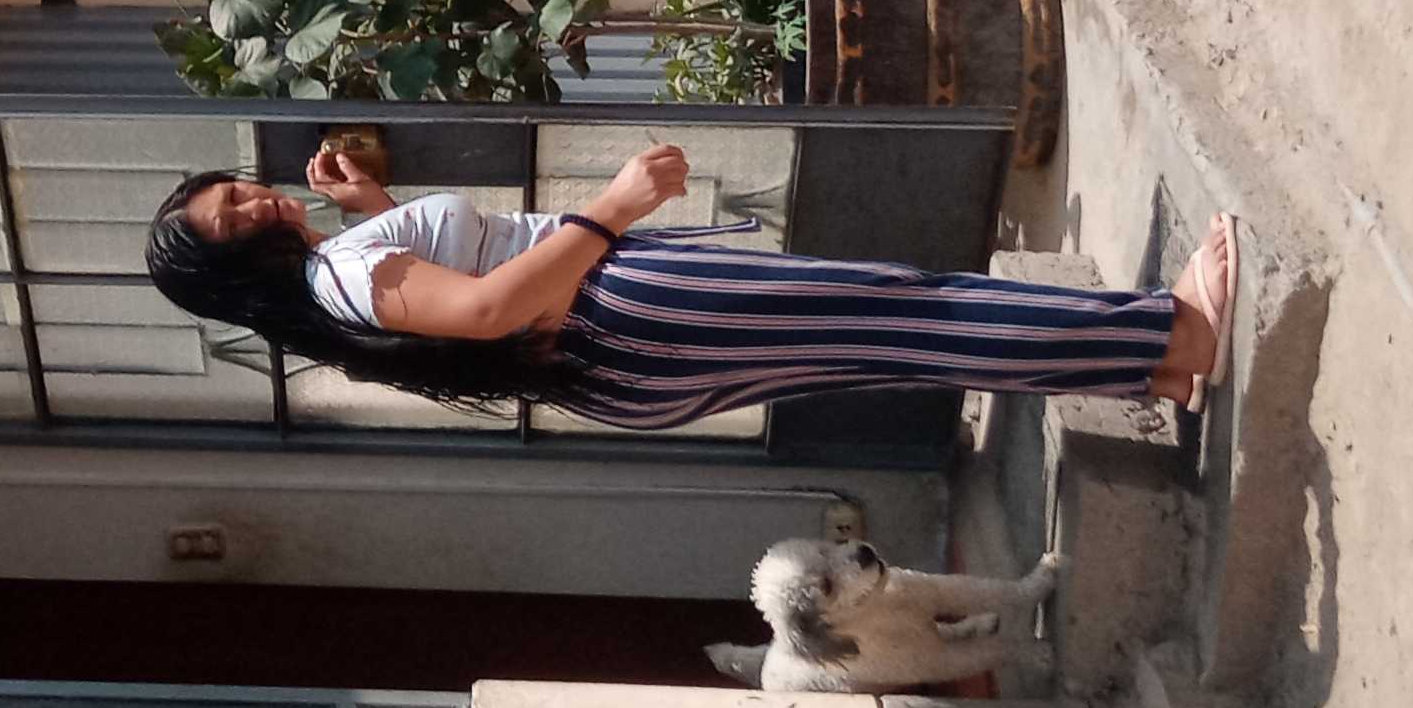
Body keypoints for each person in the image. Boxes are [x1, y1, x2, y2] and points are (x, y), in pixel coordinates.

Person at [142, 140, 1236, 429]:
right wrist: (611, 207)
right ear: (237, 271)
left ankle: (1142, 371)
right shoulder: (340, 273)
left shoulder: (335, 272)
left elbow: (448, 292)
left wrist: (372, 206)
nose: (249, 204)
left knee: (888, 342)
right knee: (905, 309)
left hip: (623, 357)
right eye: (230, 225)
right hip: (627, 308)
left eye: (229, 192)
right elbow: (484, 310)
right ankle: (1173, 334)